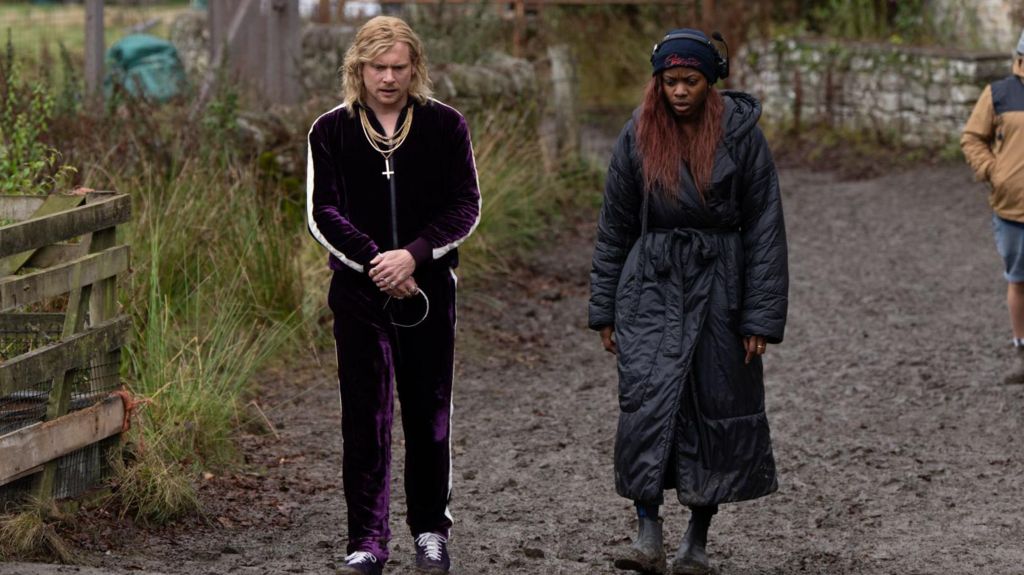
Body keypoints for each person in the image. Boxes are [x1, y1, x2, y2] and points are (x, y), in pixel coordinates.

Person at [588, 28, 789, 575]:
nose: (679, 91)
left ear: (710, 82)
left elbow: (766, 228)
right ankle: (646, 532)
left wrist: (760, 318)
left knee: (715, 406)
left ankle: (696, 542)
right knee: (646, 404)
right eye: (670, 81)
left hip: (721, 285)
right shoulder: (638, 132)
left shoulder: (741, 135)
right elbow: (615, 226)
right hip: (650, 284)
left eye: (691, 81)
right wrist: (604, 306)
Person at [306, 15, 481, 575]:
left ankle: (431, 531)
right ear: (358, 68)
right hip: (359, 292)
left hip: (429, 288)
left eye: (398, 68)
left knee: (430, 415)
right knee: (364, 416)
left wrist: (416, 254)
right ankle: (367, 541)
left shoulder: (446, 126)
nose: (388, 78)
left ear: (415, 68)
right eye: (377, 67)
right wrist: (378, 260)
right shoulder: (329, 130)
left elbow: (466, 205)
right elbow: (322, 212)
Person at [961, 30, 1024, 385]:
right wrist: (992, 171)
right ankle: (1022, 353)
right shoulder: (999, 94)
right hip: (1013, 209)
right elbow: (972, 138)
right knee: (1019, 281)